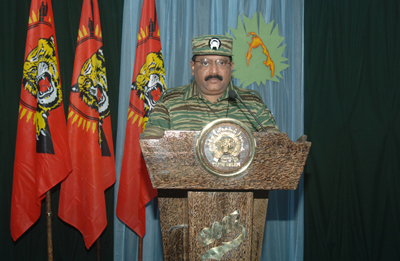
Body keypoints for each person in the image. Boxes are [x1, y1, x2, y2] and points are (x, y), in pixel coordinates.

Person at [143, 34, 280, 138]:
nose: (214, 71)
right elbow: (150, 148)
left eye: (221, 63)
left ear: (231, 67)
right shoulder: (169, 102)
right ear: (193, 66)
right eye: (205, 63)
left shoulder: (251, 104)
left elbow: (277, 147)